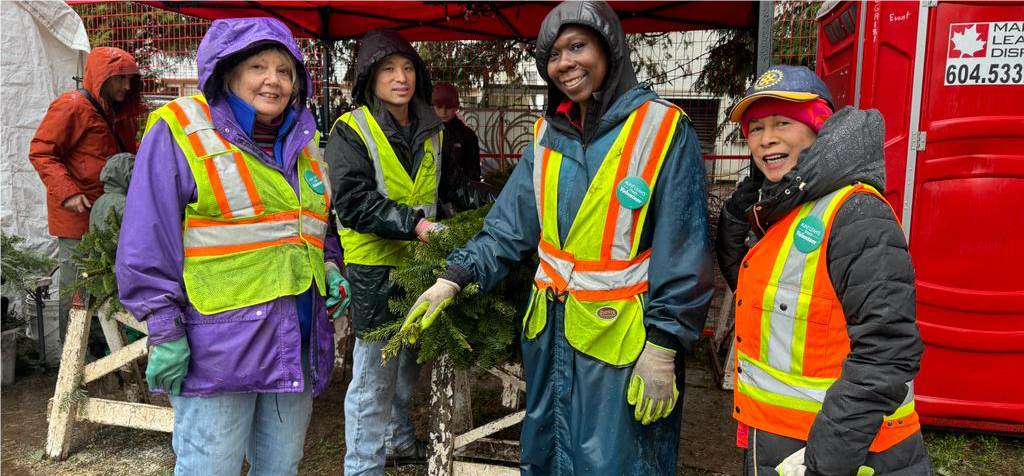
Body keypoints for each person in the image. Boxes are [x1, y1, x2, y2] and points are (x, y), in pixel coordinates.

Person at [401, 0, 714, 473]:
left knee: (618, 464)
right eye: (554, 54)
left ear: (609, 49)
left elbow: (684, 246)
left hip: (622, 346)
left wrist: (664, 347)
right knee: (548, 457)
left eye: (578, 46)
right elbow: (508, 228)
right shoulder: (548, 134)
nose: (565, 63)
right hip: (552, 337)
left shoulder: (663, 129)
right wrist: (455, 276)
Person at [115, 17, 349, 476]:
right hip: (218, 349)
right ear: (228, 71)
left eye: (285, 71)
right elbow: (148, 239)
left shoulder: (304, 140)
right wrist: (164, 329)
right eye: (259, 66)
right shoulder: (182, 130)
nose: (273, 80)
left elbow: (316, 225)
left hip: (293, 341)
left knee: (281, 467)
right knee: (210, 468)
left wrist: (330, 263)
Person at [715, 65, 932, 476]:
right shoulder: (780, 209)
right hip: (779, 439)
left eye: (783, 122)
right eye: (756, 127)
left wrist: (825, 463)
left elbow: (886, 352)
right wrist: (745, 212)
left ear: (819, 129)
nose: (767, 138)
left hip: (846, 453)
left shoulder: (855, 213)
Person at [325, 28, 487, 474]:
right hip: (374, 269)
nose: (401, 78)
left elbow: (453, 186)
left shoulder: (431, 131)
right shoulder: (351, 130)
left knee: (409, 367)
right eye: (389, 70)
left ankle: (398, 440)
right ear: (369, 78)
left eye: (408, 68)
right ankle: (362, 467)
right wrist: (416, 225)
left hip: (422, 265)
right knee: (374, 376)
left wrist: (497, 207)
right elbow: (354, 202)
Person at [29, 47, 143, 347]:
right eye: (120, 79)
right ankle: (71, 357)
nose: (126, 87)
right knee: (78, 285)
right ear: (101, 77)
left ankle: (104, 347)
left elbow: (130, 157)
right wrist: (69, 193)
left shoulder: (120, 113)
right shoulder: (72, 106)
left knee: (108, 281)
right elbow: (42, 152)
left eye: (131, 80)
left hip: (111, 213)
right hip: (78, 214)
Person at [432, 82, 482, 182]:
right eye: (439, 107)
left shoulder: (467, 136)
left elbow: (473, 174)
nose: (443, 112)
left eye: (448, 107)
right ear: (432, 107)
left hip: (459, 194)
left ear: (456, 106)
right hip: (429, 193)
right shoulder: (426, 133)